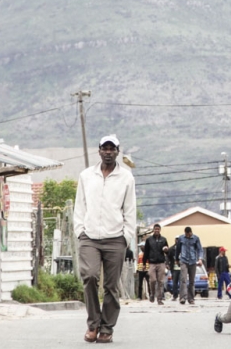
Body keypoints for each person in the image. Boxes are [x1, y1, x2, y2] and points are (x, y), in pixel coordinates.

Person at [74, 135, 136, 344]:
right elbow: (79, 206)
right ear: (99, 150)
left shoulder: (126, 177)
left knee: (111, 286)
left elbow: (130, 210)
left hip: (115, 238)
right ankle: (93, 324)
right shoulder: (86, 176)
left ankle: (106, 328)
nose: (108, 152)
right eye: (105, 148)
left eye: (112, 148)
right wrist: (80, 231)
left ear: (118, 152)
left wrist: (126, 237)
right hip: (89, 237)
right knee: (89, 276)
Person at [143, 224, 169, 305]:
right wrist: (144, 263)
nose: (156, 231)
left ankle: (159, 299)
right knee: (153, 280)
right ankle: (152, 294)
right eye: (155, 229)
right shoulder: (149, 240)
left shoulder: (163, 239)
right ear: (153, 230)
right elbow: (146, 252)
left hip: (161, 262)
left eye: (158, 229)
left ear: (160, 230)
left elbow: (167, 252)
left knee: (160, 281)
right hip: (152, 263)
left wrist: (166, 250)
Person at [177, 226, 204, 305]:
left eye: (188, 234)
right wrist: (176, 259)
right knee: (183, 279)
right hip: (183, 260)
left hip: (193, 261)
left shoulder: (196, 238)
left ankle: (191, 298)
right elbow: (178, 249)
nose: (187, 236)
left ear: (190, 233)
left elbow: (200, 249)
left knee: (192, 281)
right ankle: (182, 298)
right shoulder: (181, 238)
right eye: (186, 234)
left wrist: (200, 259)